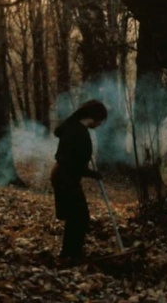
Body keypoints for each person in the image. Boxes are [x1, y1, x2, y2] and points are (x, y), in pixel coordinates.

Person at [51, 99, 107, 264]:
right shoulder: (79, 132)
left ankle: (69, 253)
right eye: (101, 121)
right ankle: (71, 255)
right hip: (65, 176)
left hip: (63, 175)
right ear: (94, 118)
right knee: (80, 216)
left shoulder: (72, 126)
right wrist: (92, 173)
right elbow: (73, 162)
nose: (100, 125)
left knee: (75, 216)